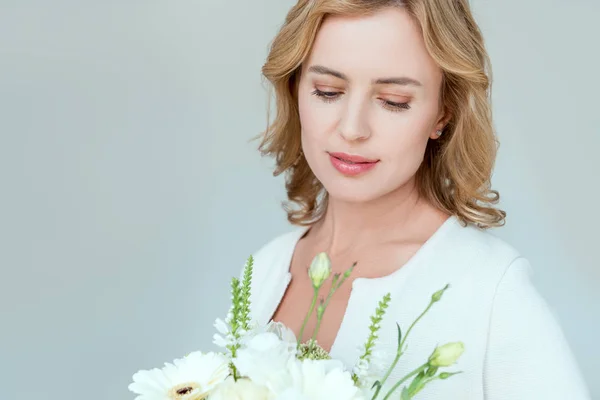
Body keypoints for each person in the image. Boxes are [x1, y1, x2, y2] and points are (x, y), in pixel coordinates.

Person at [247, 0, 590, 398]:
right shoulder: (265, 270)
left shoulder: (489, 290)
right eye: (328, 91)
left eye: (394, 100)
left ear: (442, 114)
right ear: (296, 89)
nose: (352, 128)